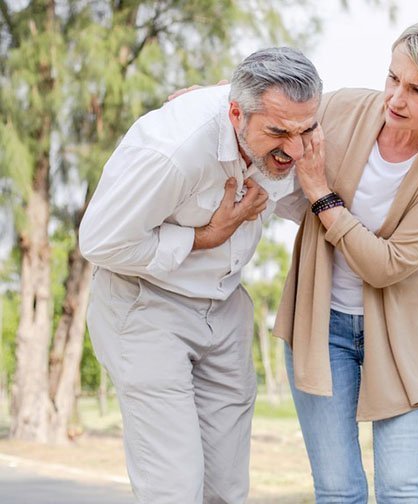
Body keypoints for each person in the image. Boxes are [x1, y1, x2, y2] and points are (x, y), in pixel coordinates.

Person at [79, 47, 322, 504]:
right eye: (278, 133)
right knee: (173, 487)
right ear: (236, 113)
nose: (294, 148)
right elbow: (101, 242)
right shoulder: (172, 150)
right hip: (146, 307)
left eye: (305, 130)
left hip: (225, 307)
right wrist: (207, 236)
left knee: (227, 490)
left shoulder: (287, 121)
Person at [274, 19, 418, 503]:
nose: (396, 97)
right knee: (337, 489)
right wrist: (209, 98)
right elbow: (274, 104)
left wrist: (320, 195)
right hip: (321, 327)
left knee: (402, 487)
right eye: (393, 78)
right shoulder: (343, 108)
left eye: (417, 90)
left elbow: (387, 265)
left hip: (401, 337)